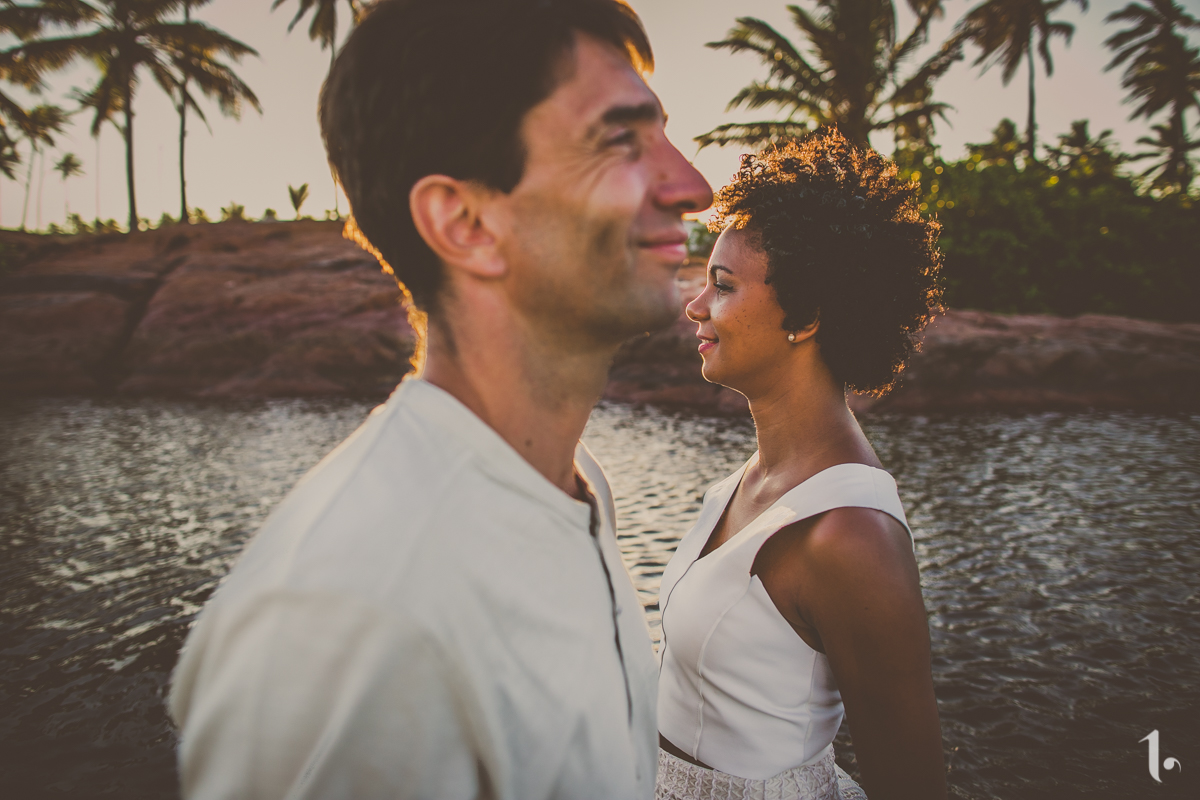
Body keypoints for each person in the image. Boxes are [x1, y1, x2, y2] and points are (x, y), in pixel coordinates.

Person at [168, 1, 712, 797]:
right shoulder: (354, 615)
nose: (693, 186)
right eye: (622, 140)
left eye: (663, 133)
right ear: (465, 222)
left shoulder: (572, 481)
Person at [655, 129, 946, 800]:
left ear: (806, 315)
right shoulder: (749, 480)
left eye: (722, 286)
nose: (695, 307)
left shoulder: (851, 536)